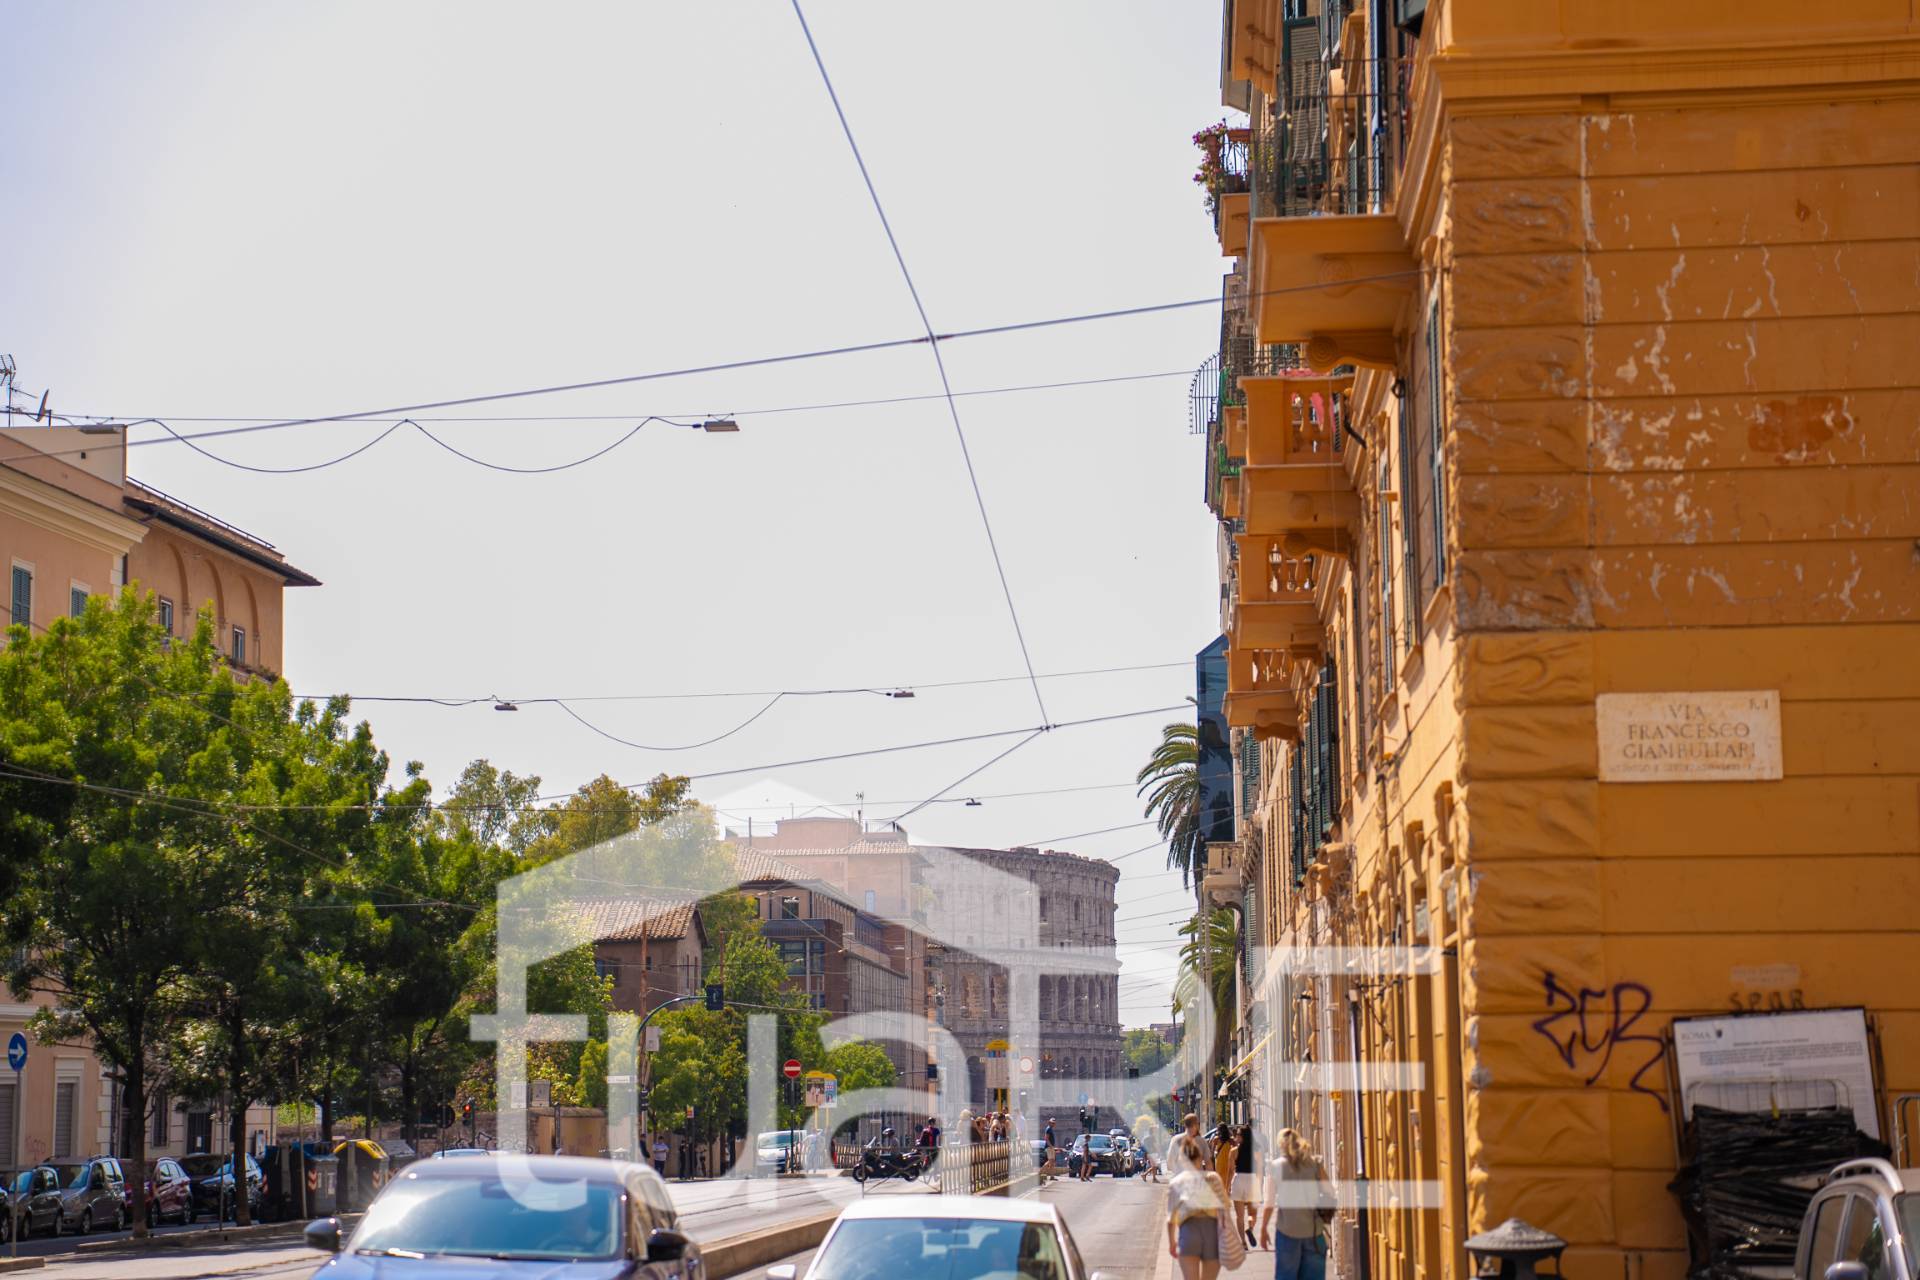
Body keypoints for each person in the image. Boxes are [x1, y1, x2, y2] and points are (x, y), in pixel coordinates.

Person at [1259, 1129, 1333, 1280]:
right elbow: (1330, 1191)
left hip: (1287, 1232)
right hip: (1314, 1231)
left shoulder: (1276, 1166)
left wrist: (1263, 1229)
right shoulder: (1314, 1163)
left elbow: (1269, 1203)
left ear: (1281, 1145)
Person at [1166, 1135, 1230, 1280]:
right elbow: (1223, 1212)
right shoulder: (1213, 1179)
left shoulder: (1176, 1183)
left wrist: (1172, 1243)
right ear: (1200, 1158)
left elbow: (1170, 1219)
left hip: (1188, 1233)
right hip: (1211, 1233)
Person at [1231, 1125, 1258, 1247]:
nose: (1235, 1137)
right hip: (1252, 1180)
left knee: (1239, 1216)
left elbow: (1230, 1171)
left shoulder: (1234, 1151)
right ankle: (1250, 1228)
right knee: (1252, 1214)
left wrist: (1227, 1186)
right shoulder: (1256, 1151)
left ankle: (1243, 1242)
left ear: (1242, 1137)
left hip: (1238, 1180)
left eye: (1237, 1135)